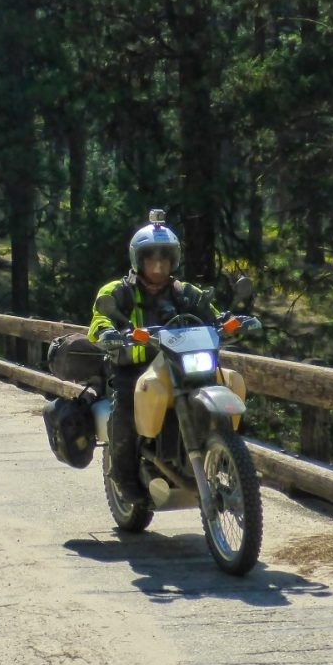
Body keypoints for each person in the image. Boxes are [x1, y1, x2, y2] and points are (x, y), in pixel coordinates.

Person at [86, 209, 219, 505]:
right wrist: (107, 332)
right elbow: (98, 320)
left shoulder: (184, 291)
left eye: (164, 258)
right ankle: (123, 476)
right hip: (132, 369)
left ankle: (226, 455)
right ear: (139, 259)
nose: (158, 266)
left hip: (178, 365)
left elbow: (211, 313)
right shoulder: (118, 291)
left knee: (219, 382)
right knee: (125, 411)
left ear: (174, 259)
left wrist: (230, 320)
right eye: (151, 258)